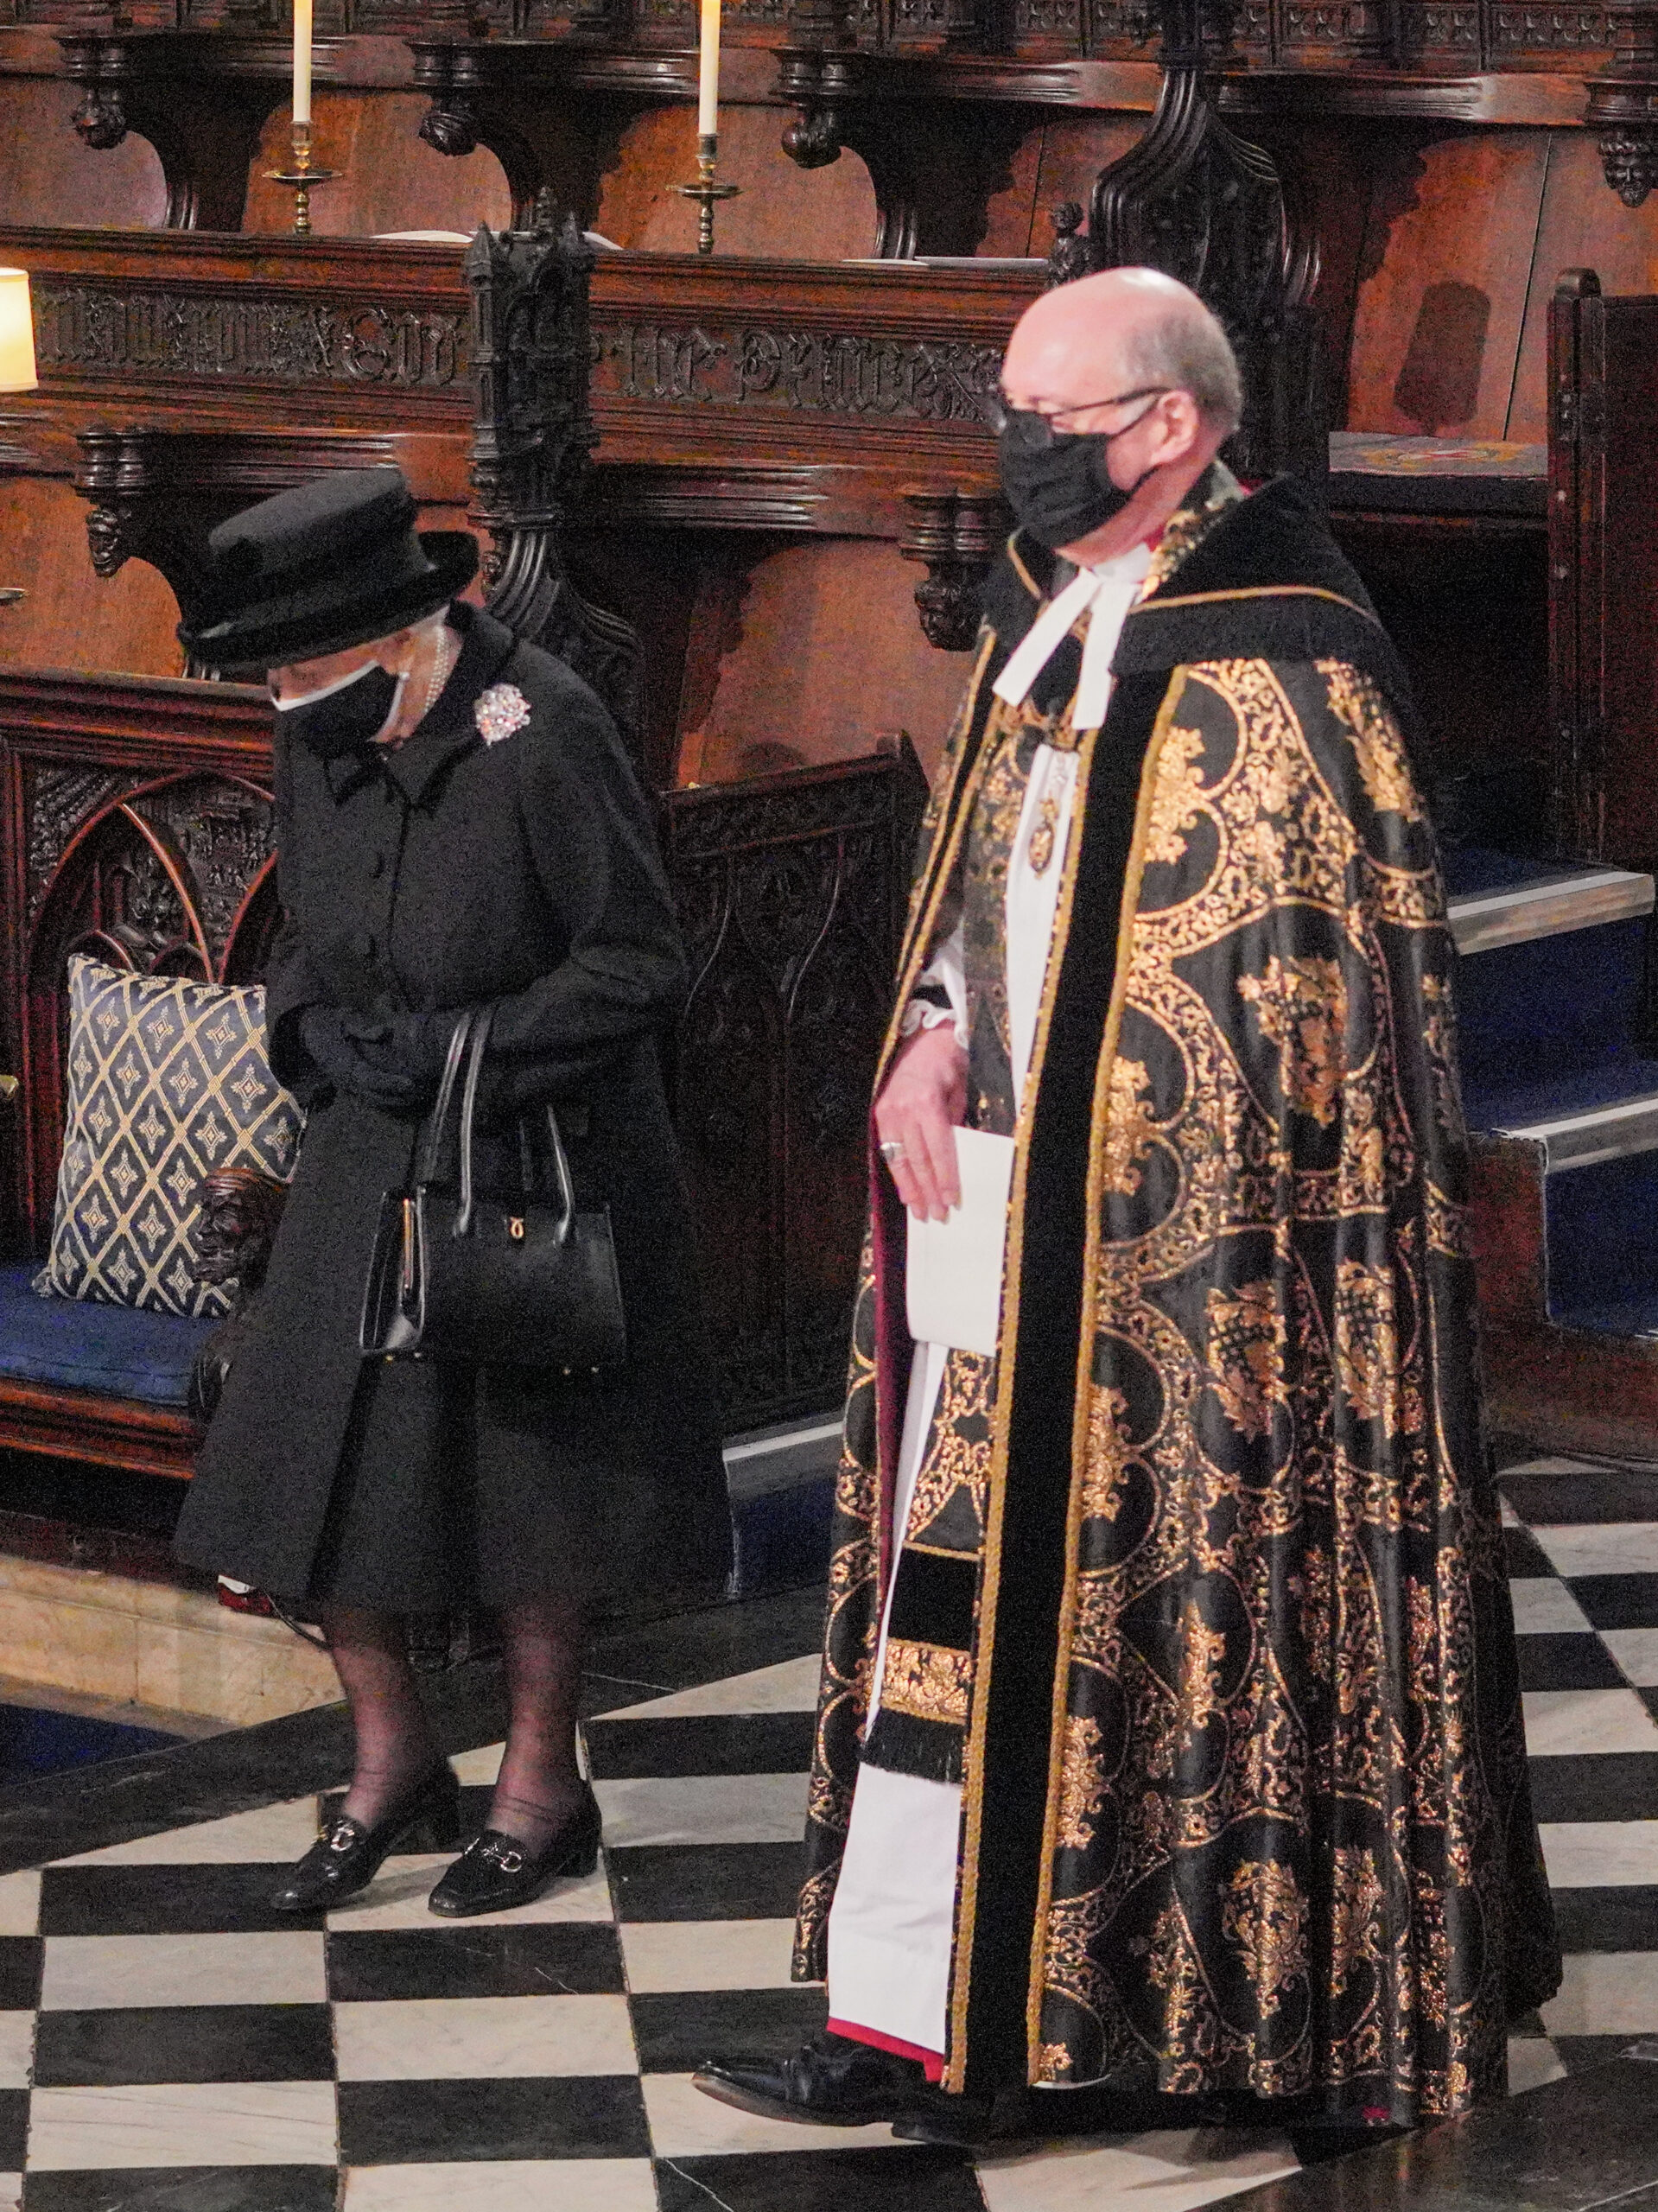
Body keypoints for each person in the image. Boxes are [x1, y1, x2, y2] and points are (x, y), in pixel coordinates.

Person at [696, 270, 1560, 2145]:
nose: (1012, 448)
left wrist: (1142, 1157)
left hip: (1200, 1281)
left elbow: (1319, 1011)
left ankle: (1167, 2019)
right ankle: (910, 2012)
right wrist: (930, 1033)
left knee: (1165, 1626)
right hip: (999, 1224)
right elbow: (996, 888)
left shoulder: (1289, 653)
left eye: (1049, 414)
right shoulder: (1039, 607)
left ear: (1171, 426)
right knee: (948, 1617)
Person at [173, 467, 730, 1917]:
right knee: (312, 1478)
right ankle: (392, 1765)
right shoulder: (320, 731)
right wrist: (311, 1030)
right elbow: (303, 933)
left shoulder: (545, 732)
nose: (284, 695)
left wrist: (459, 1046)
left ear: (396, 632)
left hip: (532, 1157)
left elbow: (637, 963)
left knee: (526, 1493)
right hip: (367, 1140)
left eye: (302, 663)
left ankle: (541, 1789)